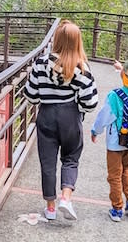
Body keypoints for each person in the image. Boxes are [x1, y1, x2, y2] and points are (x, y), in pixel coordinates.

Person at [24, 20, 98, 221]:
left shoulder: (40, 63)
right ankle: (66, 198)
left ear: (56, 39)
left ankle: (50, 208)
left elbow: (31, 95)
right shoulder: (82, 67)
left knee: (47, 162)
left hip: (47, 115)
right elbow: (90, 102)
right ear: (77, 41)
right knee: (71, 159)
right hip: (70, 117)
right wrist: (78, 109)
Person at [90, 58, 128, 222]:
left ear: (123, 75)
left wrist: (95, 131)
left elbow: (105, 117)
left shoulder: (114, 96)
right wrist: (123, 69)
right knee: (126, 169)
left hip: (116, 142)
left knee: (114, 175)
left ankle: (117, 209)